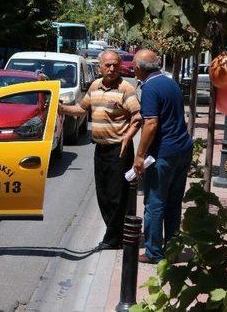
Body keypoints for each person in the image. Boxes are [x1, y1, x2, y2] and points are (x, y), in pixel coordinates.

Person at [59, 50, 142, 250]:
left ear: (120, 65)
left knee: (116, 195)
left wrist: (127, 138)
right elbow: (81, 109)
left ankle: (113, 239)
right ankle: (115, 234)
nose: (112, 69)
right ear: (100, 67)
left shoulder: (126, 89)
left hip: (118, 150)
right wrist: (60, 108)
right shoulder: (95, 86)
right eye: (108, 65)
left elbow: (137, 117)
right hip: (101, 150)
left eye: (115, 65)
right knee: (102, 194)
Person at [133, 49, 193, 264]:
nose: (133, 70)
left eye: (134, 67)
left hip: (164, 153)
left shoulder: (149, 87)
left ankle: (153, 252)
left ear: (139, 69)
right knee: (174, 201)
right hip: (183, 149)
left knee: (155, 203)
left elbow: (151, 123)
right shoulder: (170, 82)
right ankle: (173, 248)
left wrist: (139, 155)